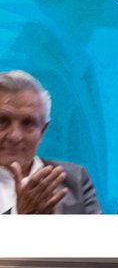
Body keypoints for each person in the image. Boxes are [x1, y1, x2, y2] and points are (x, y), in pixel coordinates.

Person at [0, 70, 101, 213]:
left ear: (42, 131)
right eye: (2, 121)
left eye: (28, 123)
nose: (15, 136)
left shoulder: (73, 179)